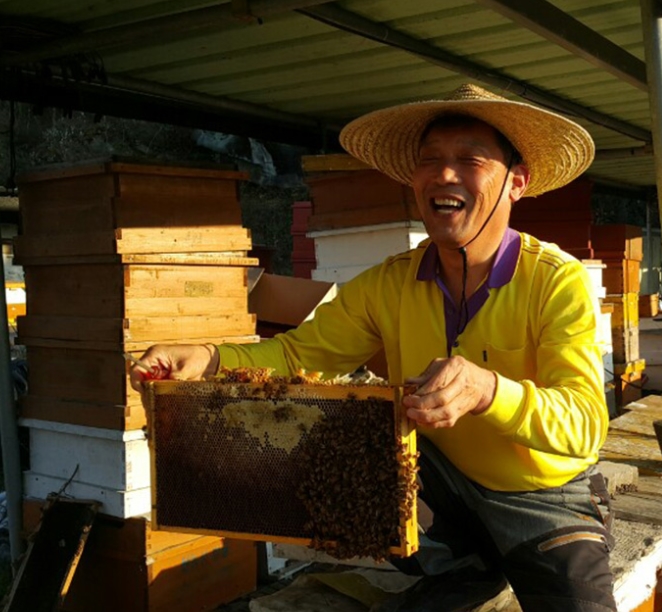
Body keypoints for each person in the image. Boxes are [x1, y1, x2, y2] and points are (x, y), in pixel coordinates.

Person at [131, 83, 615, 612]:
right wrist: (209, 358)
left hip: (542, 497)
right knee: (344, 447)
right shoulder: (388, 283)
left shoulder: (556, 280)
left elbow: (584, 423)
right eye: (430, 160)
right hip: (442, 485)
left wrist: (488, 391)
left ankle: (484, 561)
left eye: (469, 160)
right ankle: (465, 563)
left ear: (515, 182)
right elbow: (297, 357)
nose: (444, 174)